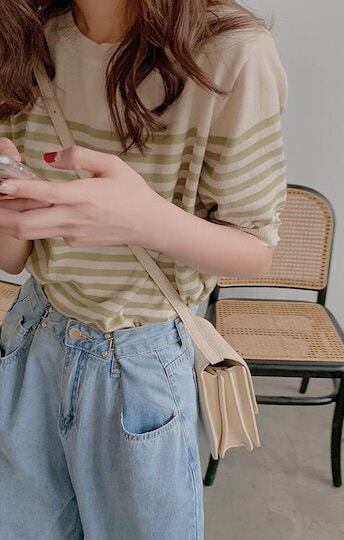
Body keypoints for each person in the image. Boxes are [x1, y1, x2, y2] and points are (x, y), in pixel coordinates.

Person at [0, 1, 288, 538]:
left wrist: (146, 221)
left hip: (140, 358)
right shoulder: (23, 37)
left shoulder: (230, 55)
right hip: (31, 336)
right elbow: (14, 258)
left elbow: (255, 250)